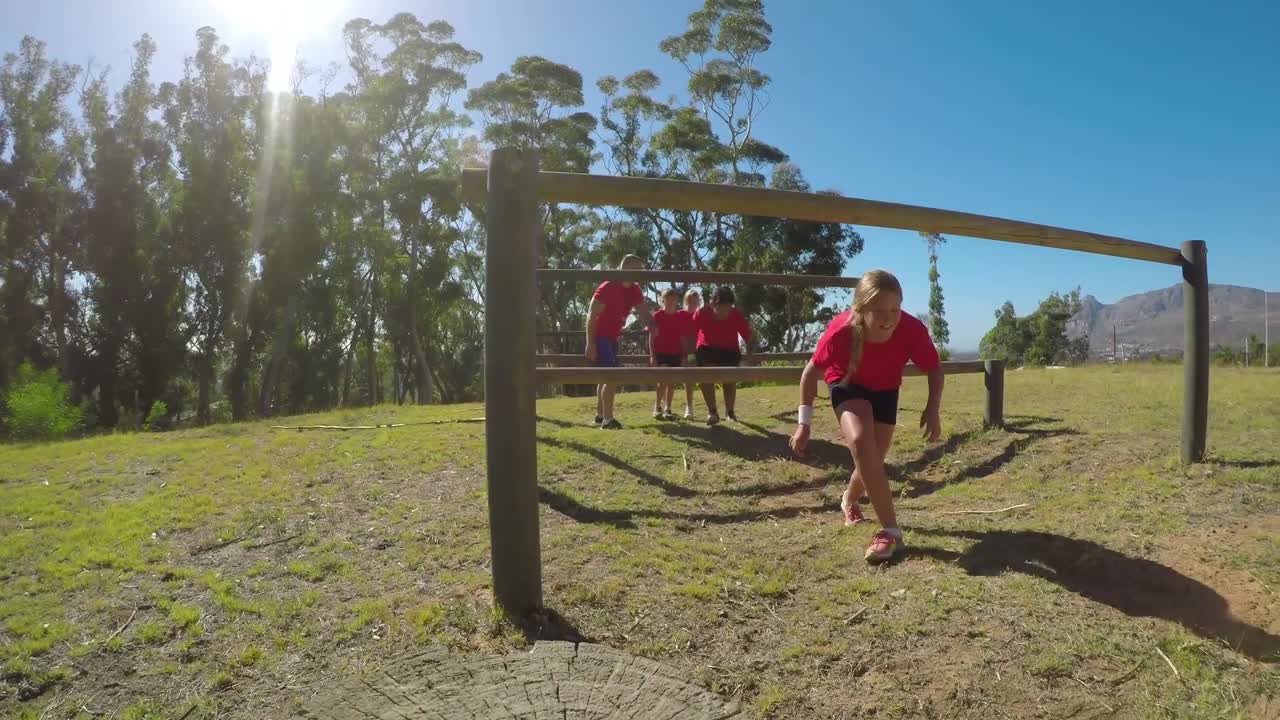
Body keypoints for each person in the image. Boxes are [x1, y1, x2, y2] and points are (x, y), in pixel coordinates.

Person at [789, 270, 944, 563]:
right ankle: (891, 531)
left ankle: (848, 499)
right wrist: (803, 425)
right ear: (860, 309)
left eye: (894, 310)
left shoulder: (911, 328)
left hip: (885, 388)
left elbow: (934, 368)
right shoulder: (839, 332)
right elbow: (809, 373)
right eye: (878, 311)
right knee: (861, 442)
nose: (888, 318)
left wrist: (932, 407)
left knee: (873, 458)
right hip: (847, 383)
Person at [586, 255, 654, 429]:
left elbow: (644, 312)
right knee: (611, 376)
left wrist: (655, 326)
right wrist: (590, 343)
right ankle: (608, 420)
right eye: (637, 270)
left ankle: (600, 417)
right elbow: (592, 315)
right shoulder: (608, 286)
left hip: (612, 337)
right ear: (627, 267)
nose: (640, 274)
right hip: (600, 336)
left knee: (605, 377)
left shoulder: (635, 289)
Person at [693, 286, 754, 425]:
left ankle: (730, 412)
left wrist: (751, 357)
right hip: (707, 349)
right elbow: (688, 333)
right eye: (721, 307)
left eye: (728, 307)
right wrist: (687, 355)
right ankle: (712, 412)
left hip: (729, 350)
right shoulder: (702, 313)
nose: (725, 311)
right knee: (706, 374)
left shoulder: (735, 315)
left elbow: (748, 337)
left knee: (729, 378)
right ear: (713, 304)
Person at [650, 288, 694, 420]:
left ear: (676, 301)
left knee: (671, 382)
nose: (670, 302)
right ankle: (657, 406)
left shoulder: (679, 317)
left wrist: (685, 356)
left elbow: (683, 338)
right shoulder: (657, 316)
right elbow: (651, 338)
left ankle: (668, 408)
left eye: (673, 299)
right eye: (667, 299)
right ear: (662, 301)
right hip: (661, 353)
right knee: (662, 380)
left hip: (676, 353)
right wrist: (652, 356)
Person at [679, 289, 702, 419]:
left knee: (705, 378)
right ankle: (689, 407)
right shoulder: (680, 314)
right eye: (689, 301)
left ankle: (712, 409)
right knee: (688, 379)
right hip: (684, 352)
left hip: (700, 351)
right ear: (685, 301)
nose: (691, 304)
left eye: (694, 301)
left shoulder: (699, 315)